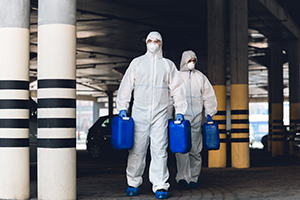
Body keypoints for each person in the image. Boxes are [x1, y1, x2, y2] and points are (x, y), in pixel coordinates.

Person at [116, 31, 187, 199]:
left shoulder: (168, 65)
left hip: (161, 113)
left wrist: (180, 111)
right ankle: (133, 182)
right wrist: (122, 107)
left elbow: (177, 89)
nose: (153, 43)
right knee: (136, 149)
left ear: (161, 43)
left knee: (159, 150)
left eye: (156, 41)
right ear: (146, 42)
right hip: (139, 112)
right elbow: (126, 85)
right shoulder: (137, 63)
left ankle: (160, 185)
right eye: (150, 40)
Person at [175, 50, 218, 189]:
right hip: (180, 119)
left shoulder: (200, 77)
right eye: (189, 60)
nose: (192, 63)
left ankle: (193, 178)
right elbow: (170, 97)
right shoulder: (176, 76)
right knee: (181, 150)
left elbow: (208, 95)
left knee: (195, 149)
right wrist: (172, 114)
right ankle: (182, 178)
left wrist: (210, 112)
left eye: (194, 60)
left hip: (196, 118)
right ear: (183, 61)